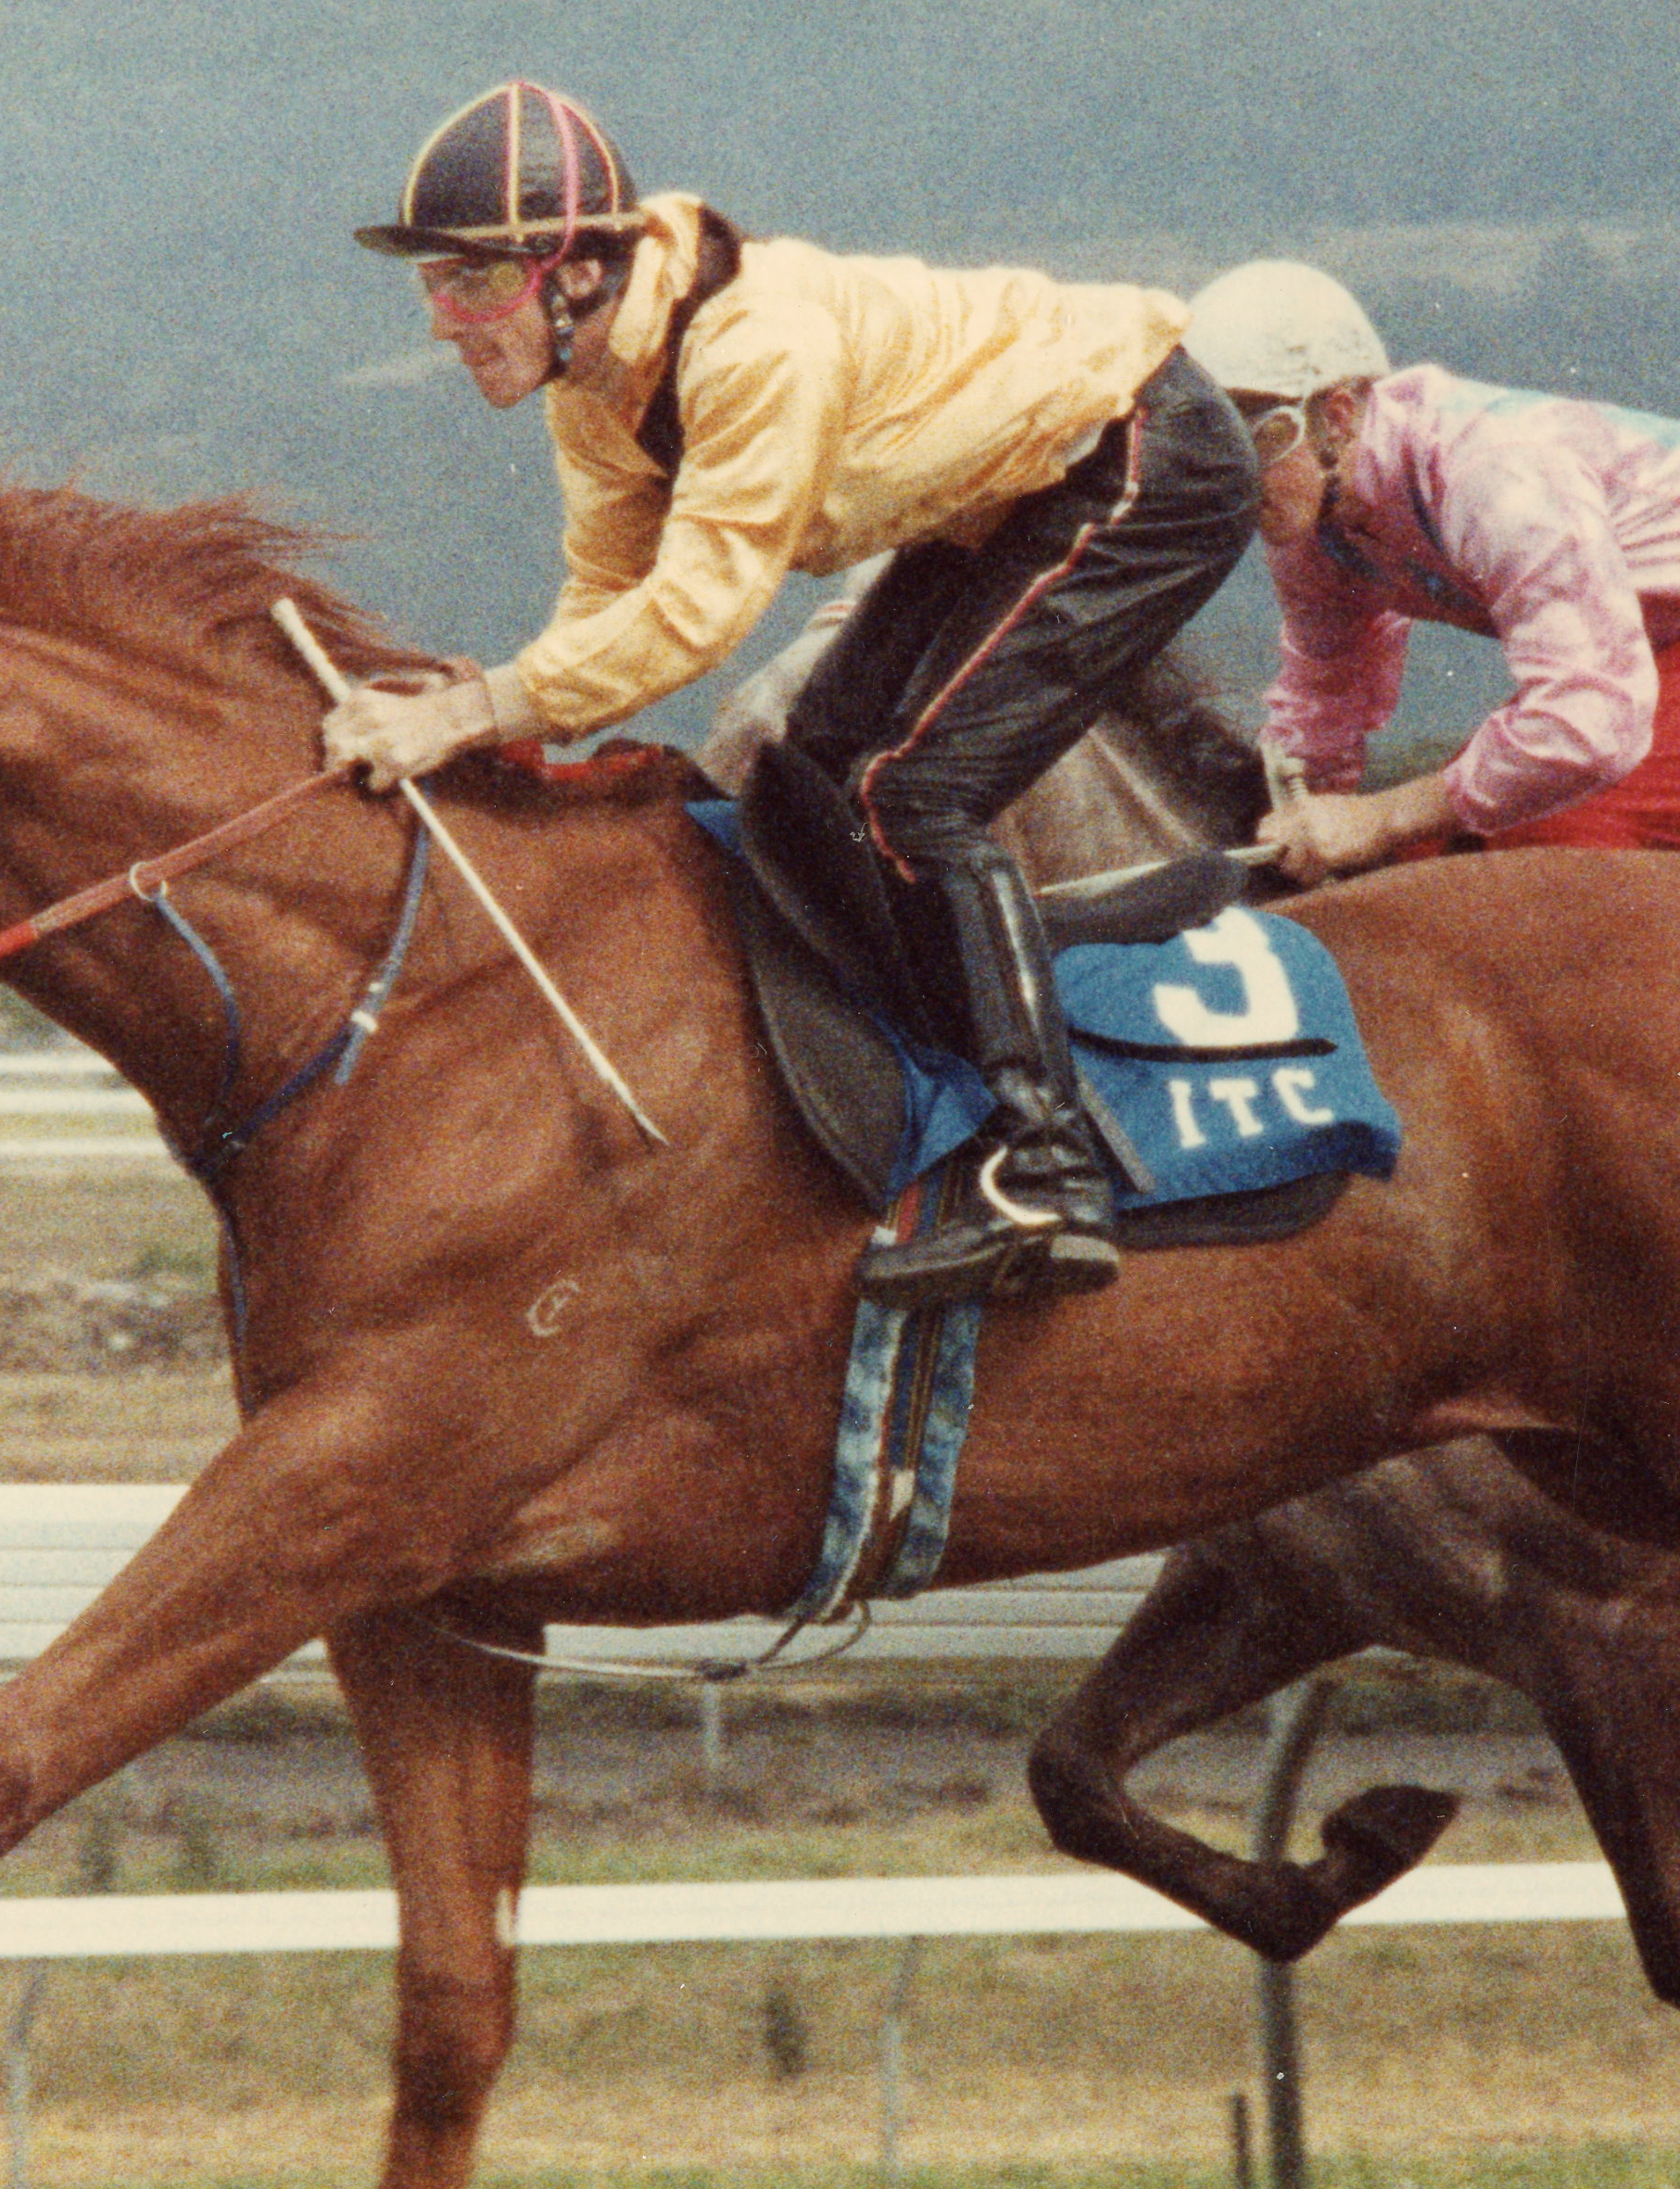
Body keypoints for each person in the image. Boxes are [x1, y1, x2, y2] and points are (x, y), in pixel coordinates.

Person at [324, 81, 1257, 1303]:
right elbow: (609, 593)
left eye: (479, 281)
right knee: (812, 774)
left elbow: (701, 614)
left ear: (582, 272)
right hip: (1003, 501)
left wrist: (468, 712)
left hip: (1145, 459)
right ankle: (931, 1092)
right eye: (431, 283)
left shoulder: (755, 346)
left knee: (912, 797)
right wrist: (508, 714)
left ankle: (1051, 1165)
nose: (448, 320)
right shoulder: (594, 388)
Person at [1178, 260, 1680, 885]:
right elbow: (1324, 692)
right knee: (1428, 859)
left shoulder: (1489, 474)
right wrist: (1296, 820)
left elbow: (1587, 728)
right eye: (1216, 443)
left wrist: (1373, 816)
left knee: (1557, 833)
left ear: (1337, 416)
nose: (1243, 477)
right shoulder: (1313, 514)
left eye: (1261, 439)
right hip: (1678, 630)